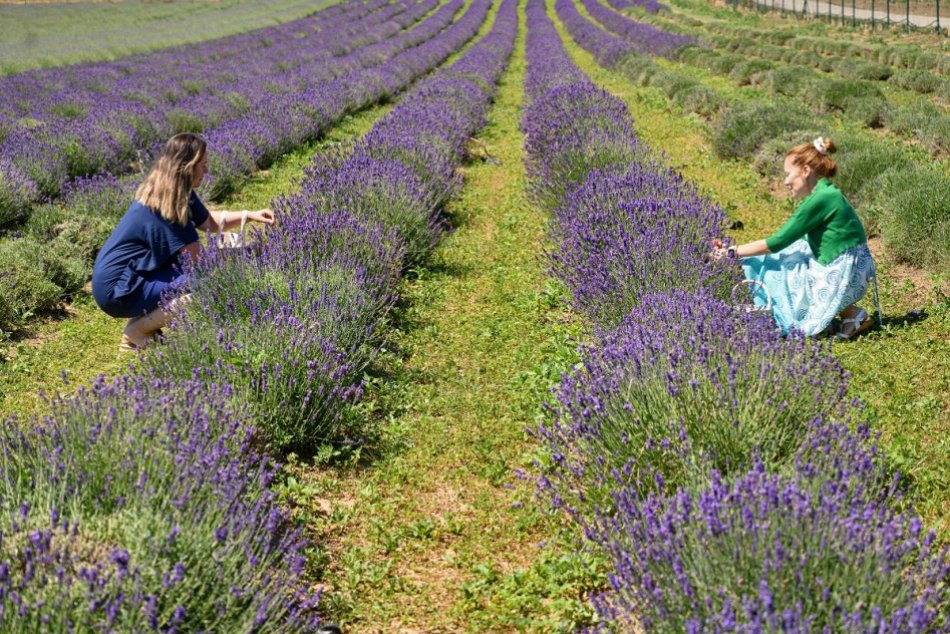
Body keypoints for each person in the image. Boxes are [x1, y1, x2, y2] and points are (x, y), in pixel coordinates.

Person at [92, 133, 274, 352]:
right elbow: (199, 263)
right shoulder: (168, 207)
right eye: (203, 165)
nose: (206, 171)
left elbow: (209, 223)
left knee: (201, 276)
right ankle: (137, 332)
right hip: (117, 291)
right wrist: (247, 252)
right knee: (208, 285)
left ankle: (141, 325)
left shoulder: (176, 191)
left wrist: (250, 214)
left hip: (133, 276)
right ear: (187, 167)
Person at [711, 137, 876, 339]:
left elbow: (776, 242)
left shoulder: (821, 199)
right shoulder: (825, 193)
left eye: (788, 174)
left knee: (778, 264)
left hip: (847, 269)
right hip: (849, 263)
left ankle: (807, 314)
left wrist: (732, 251)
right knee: (788, 256)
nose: (785, 181)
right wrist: (734, 251)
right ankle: (850, 315)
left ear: (805, 171)